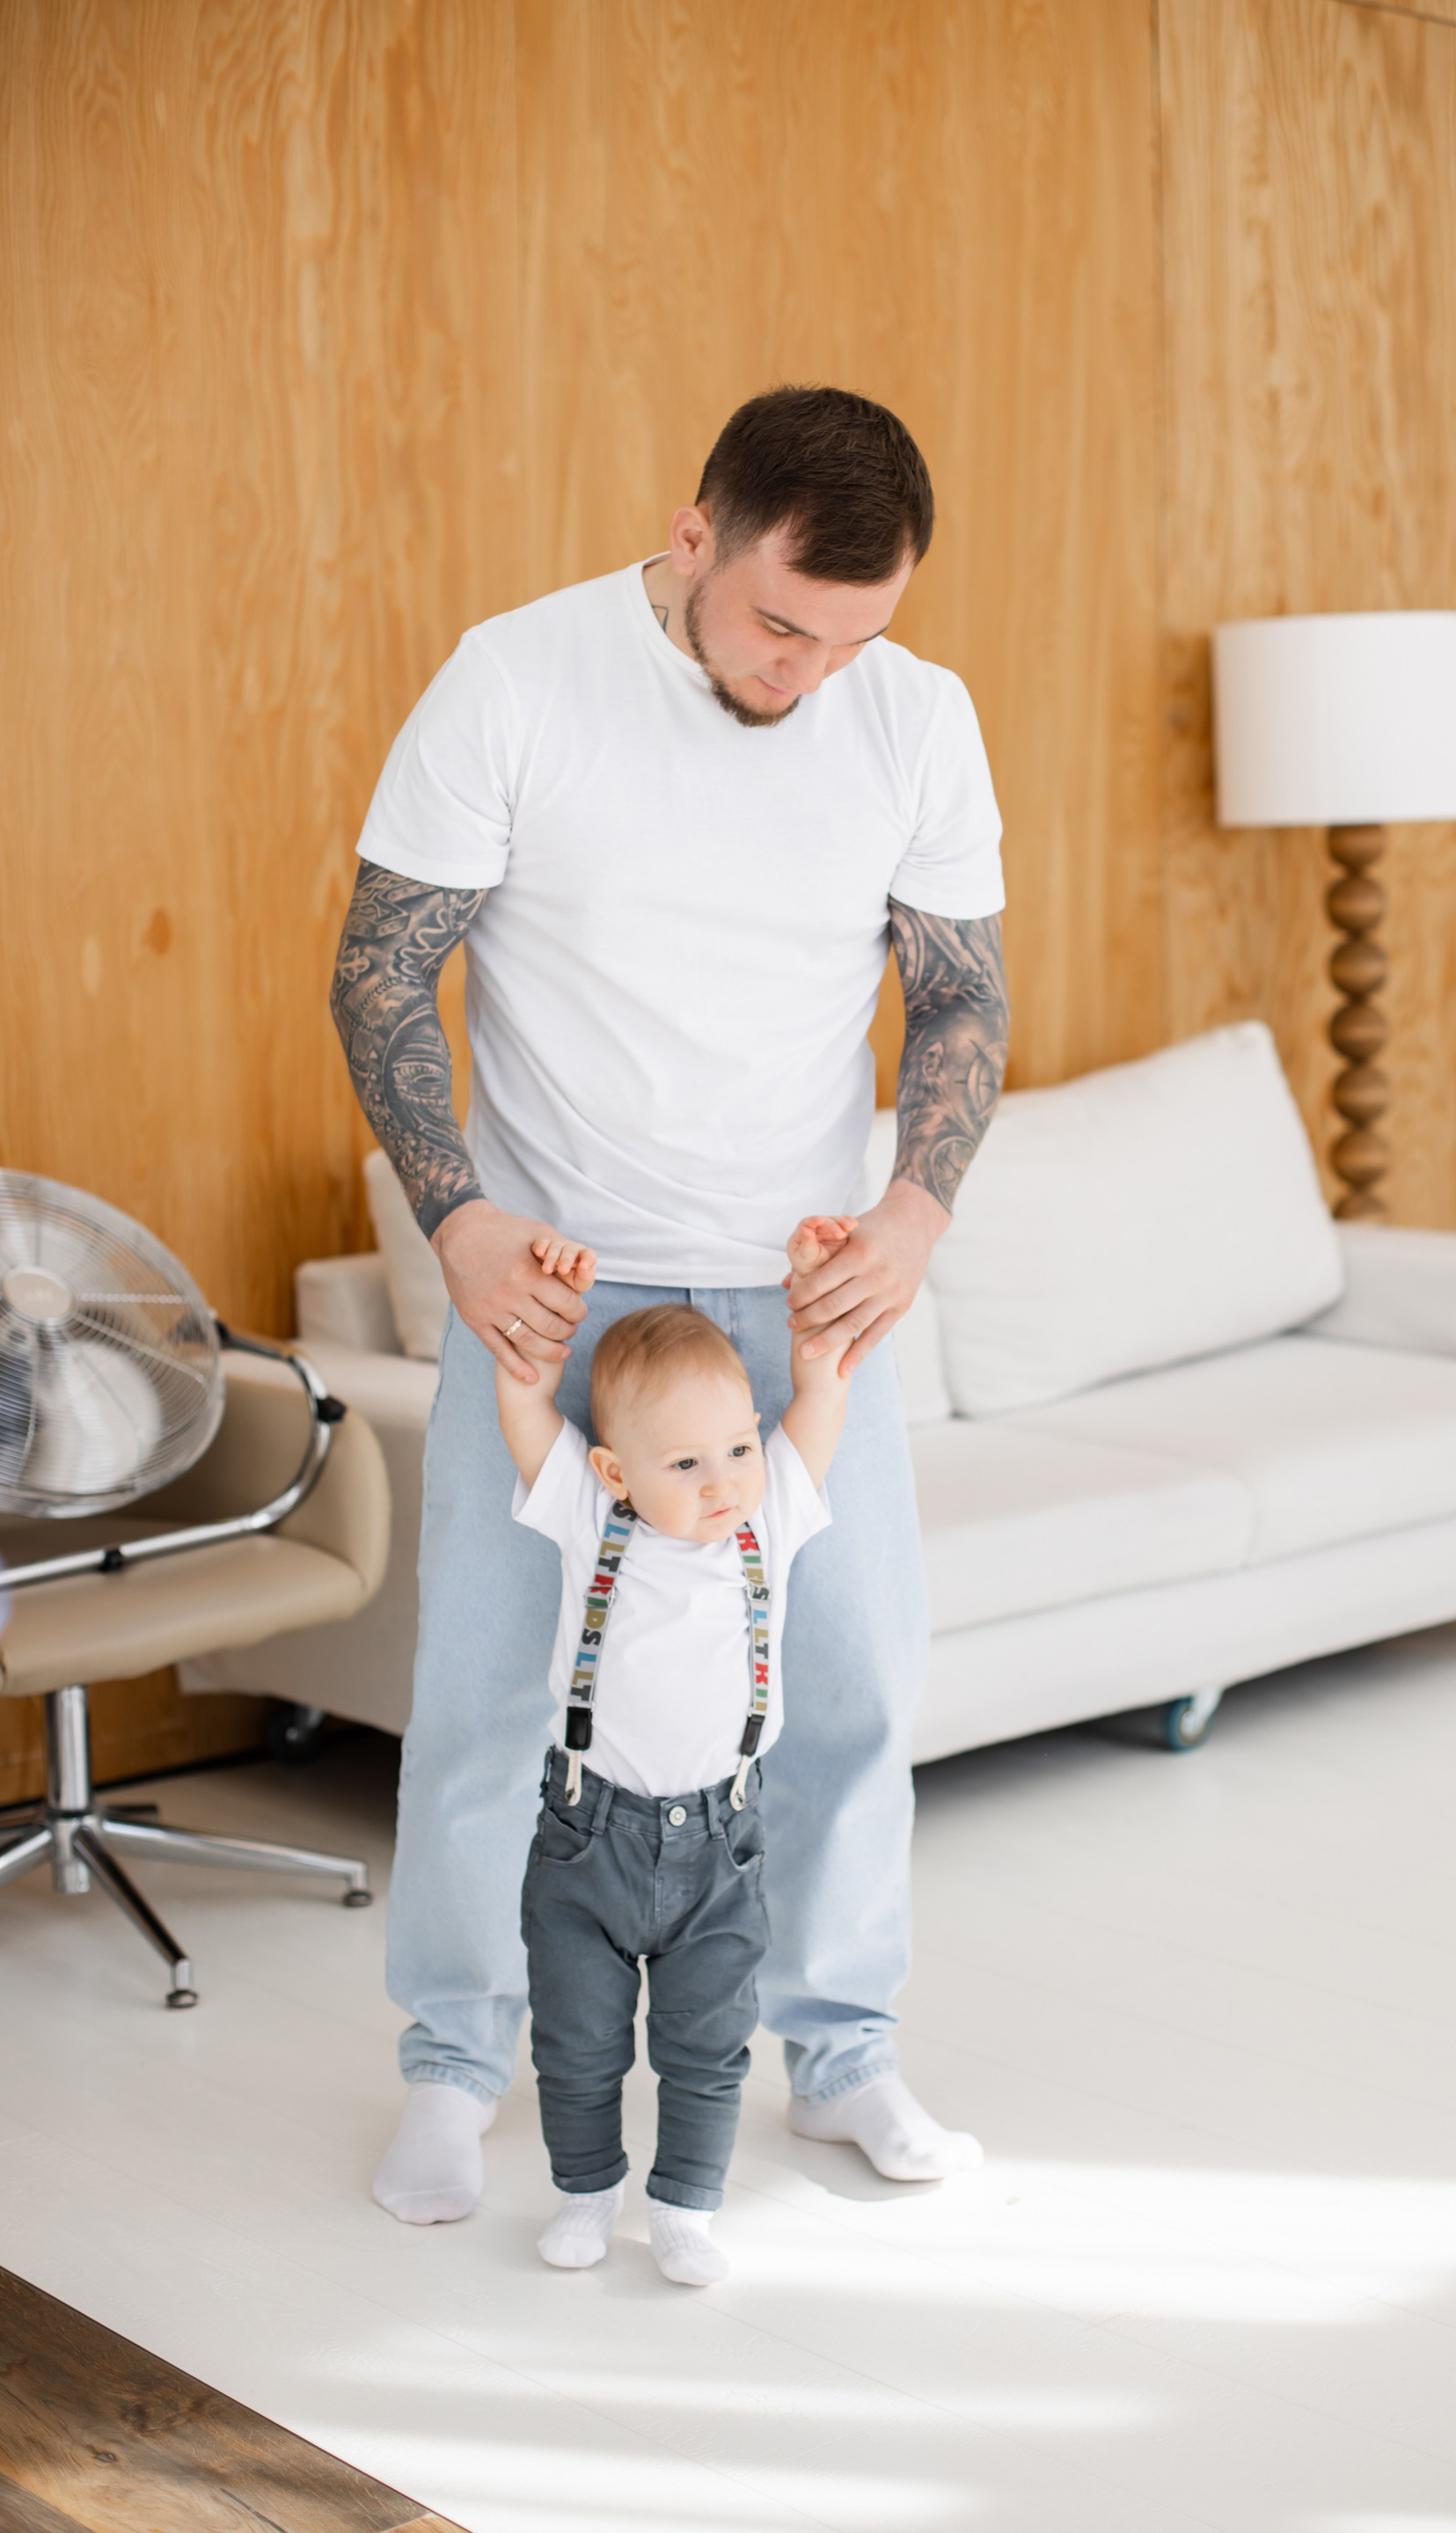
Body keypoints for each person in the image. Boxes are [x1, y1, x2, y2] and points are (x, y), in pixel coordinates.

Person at [330, 384, 1009, 2225]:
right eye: (781, 622)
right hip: (560, 1287)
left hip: (808, 1287)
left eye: (851, 637)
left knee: (848, 1684)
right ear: (694, 533)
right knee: (494, 1693)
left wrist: (919, 1205)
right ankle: (454, 2060)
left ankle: (842, 2047)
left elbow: (960, 992)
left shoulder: (914, 713)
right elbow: (383, 966)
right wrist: (459, 1217)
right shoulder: (516, 680)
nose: (810, 672)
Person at [501, 1220, 855, 2283]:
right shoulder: (589, 1513)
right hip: (587, 1838)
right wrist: (536, 1338)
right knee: (576, 2040)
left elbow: (819, 1403)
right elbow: (526, 1408)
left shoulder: (768, 1518)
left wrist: (815, 1342)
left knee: (708, 2044)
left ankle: (686, 2206)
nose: (723, 1482)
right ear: (616, 1468)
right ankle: (584, 2192)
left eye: (739, 1448)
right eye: (687, 1462)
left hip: (722, 1844)